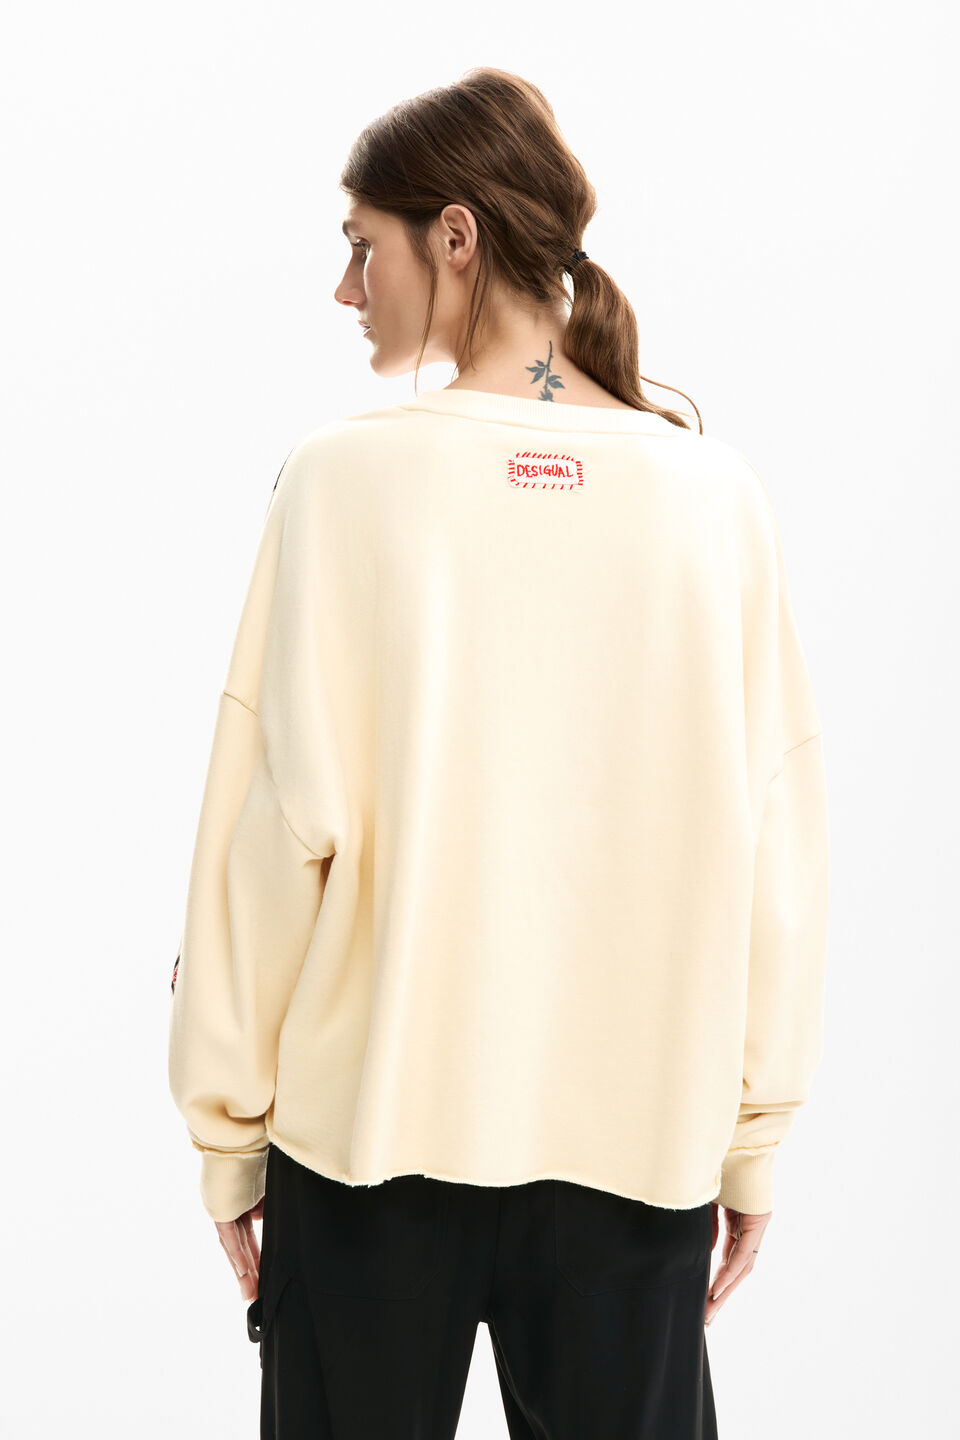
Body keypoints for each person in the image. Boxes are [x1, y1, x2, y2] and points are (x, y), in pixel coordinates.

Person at [168, 66, 829, 1439]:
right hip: (636, 1160)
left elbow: (266, 836)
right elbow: (773, 852)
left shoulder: (344, 479)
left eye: (364, 247)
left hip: (366, 1154)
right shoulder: (715, 502)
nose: (346, 290)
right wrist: (753, 1135)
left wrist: (227, 1136)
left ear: (454, 238)